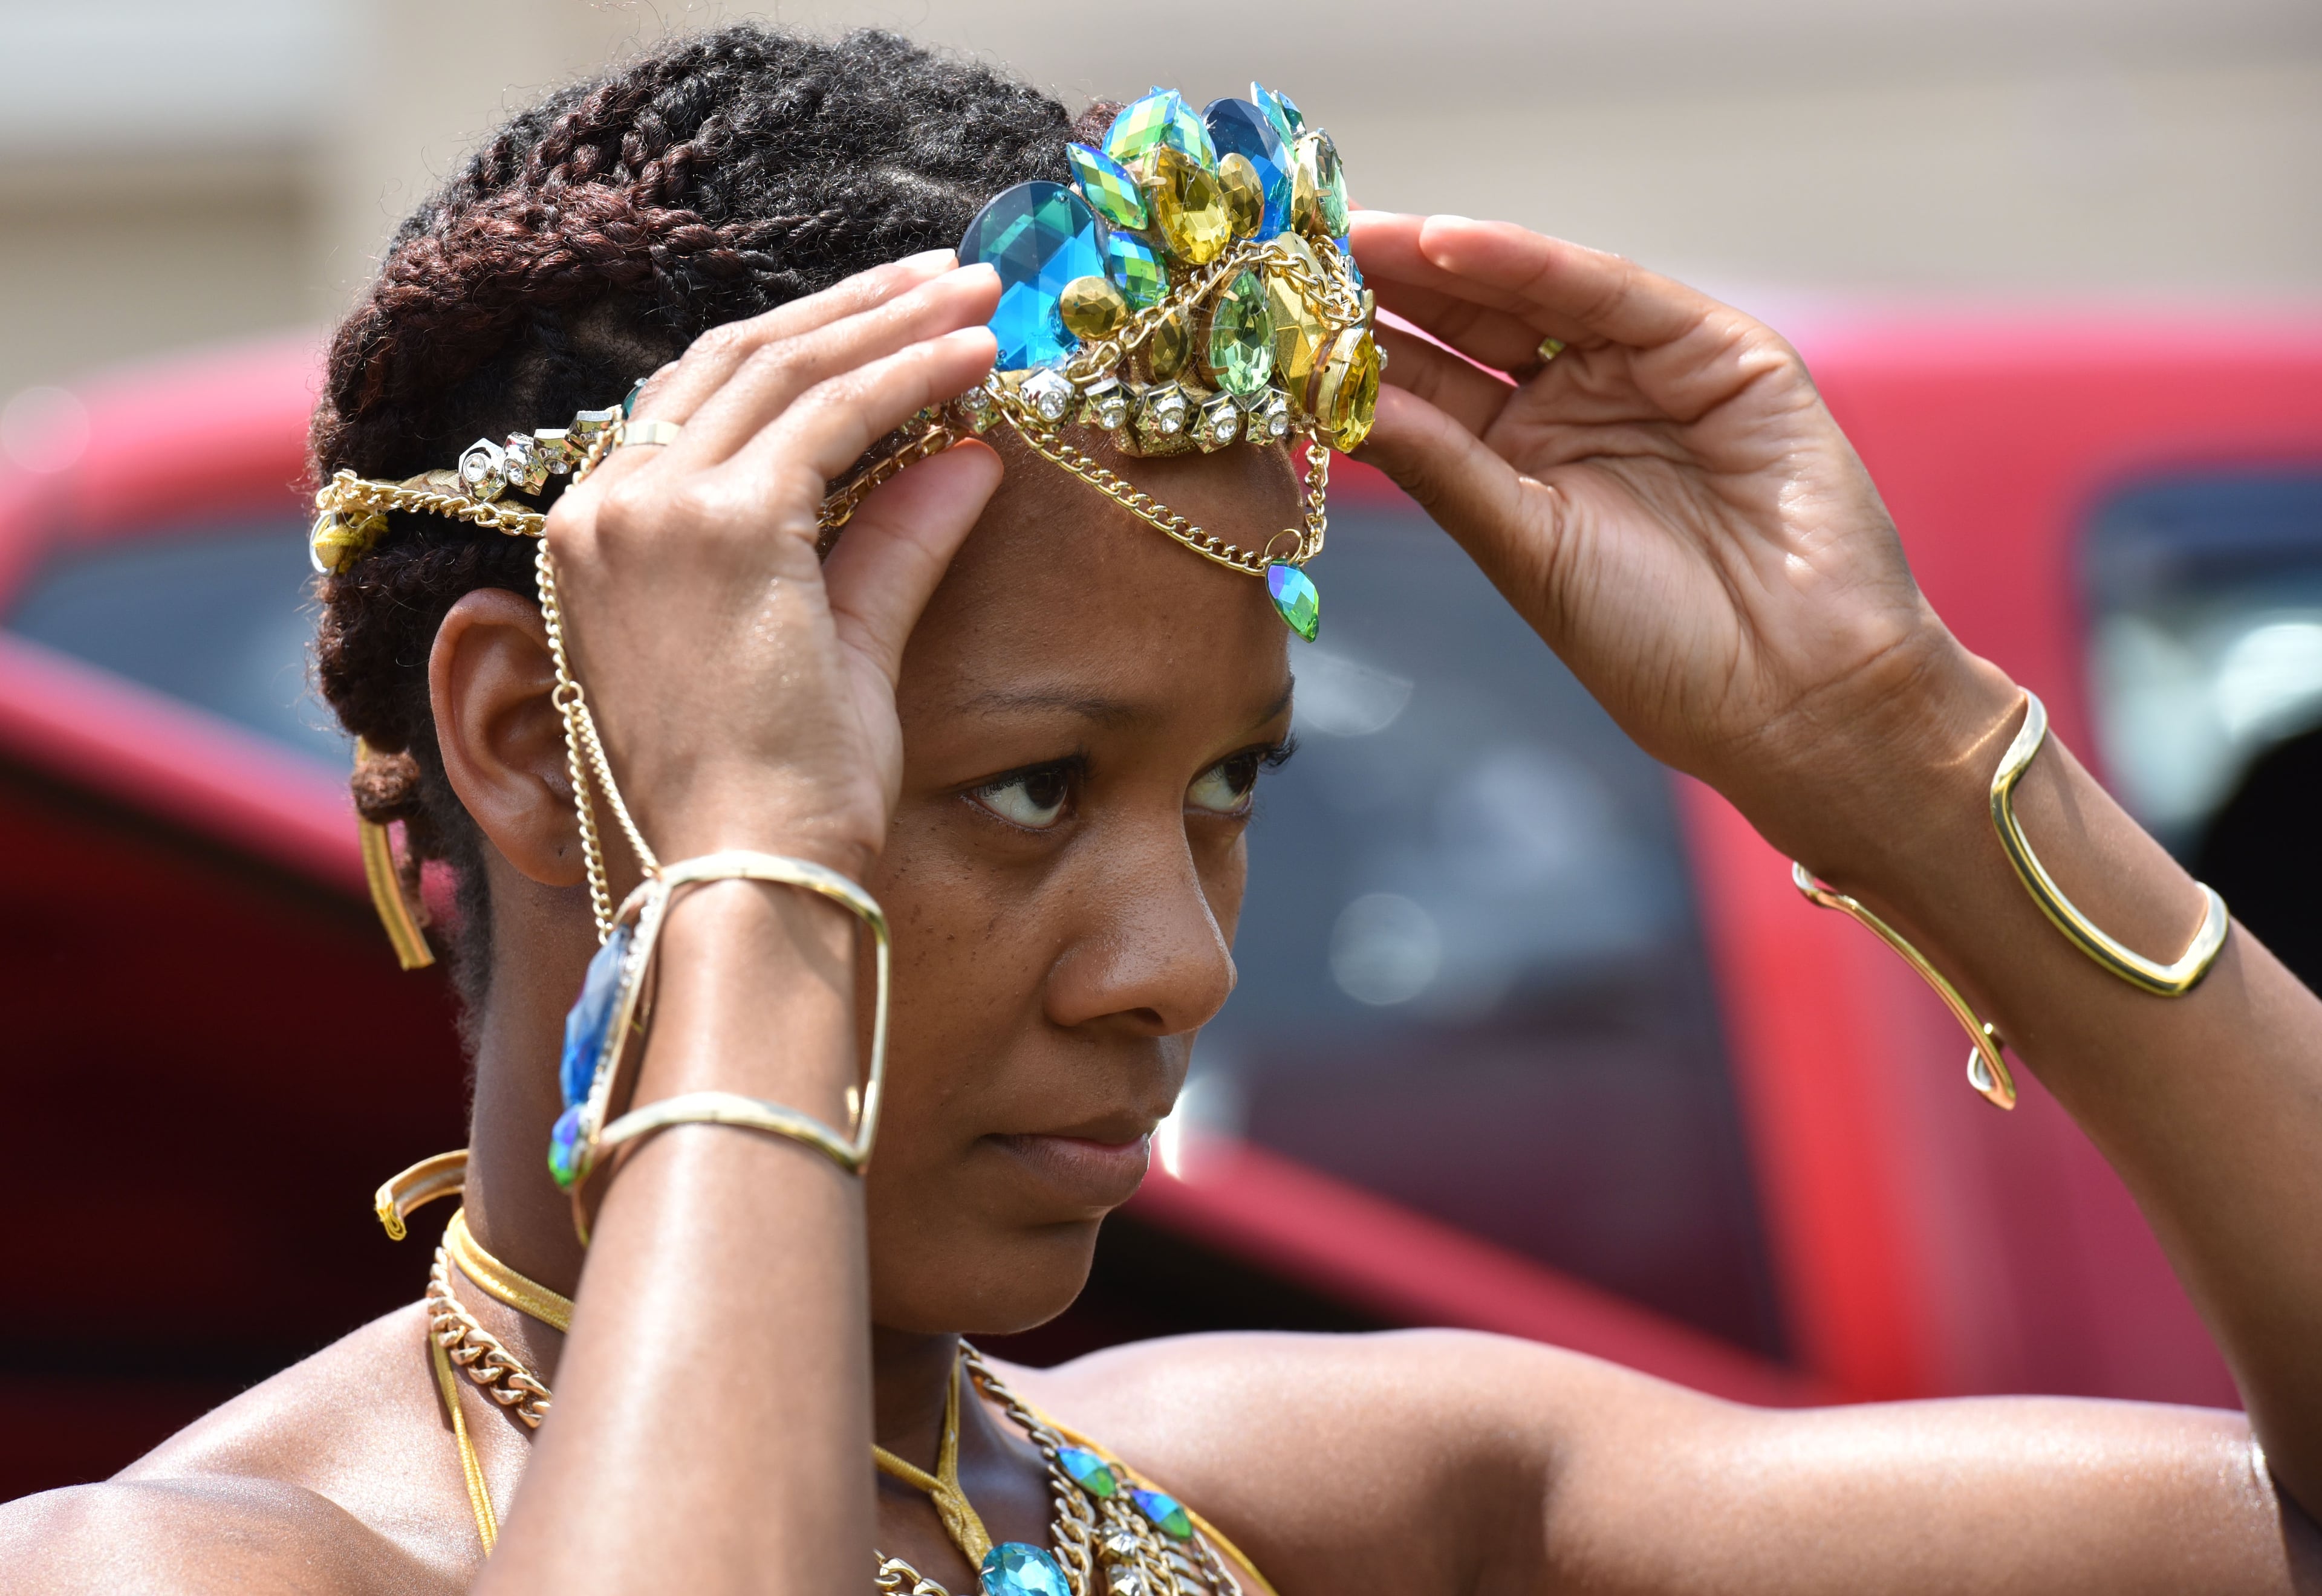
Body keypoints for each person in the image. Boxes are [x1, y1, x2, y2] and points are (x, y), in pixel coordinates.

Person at [5, 22, 2319, 1595]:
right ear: (535, 737)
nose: (1181, 961)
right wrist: (761, 885)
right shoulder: (177, 1564)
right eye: (1026, 790)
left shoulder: (1308, 1504)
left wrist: (1901, 756)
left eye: (1223, 792)